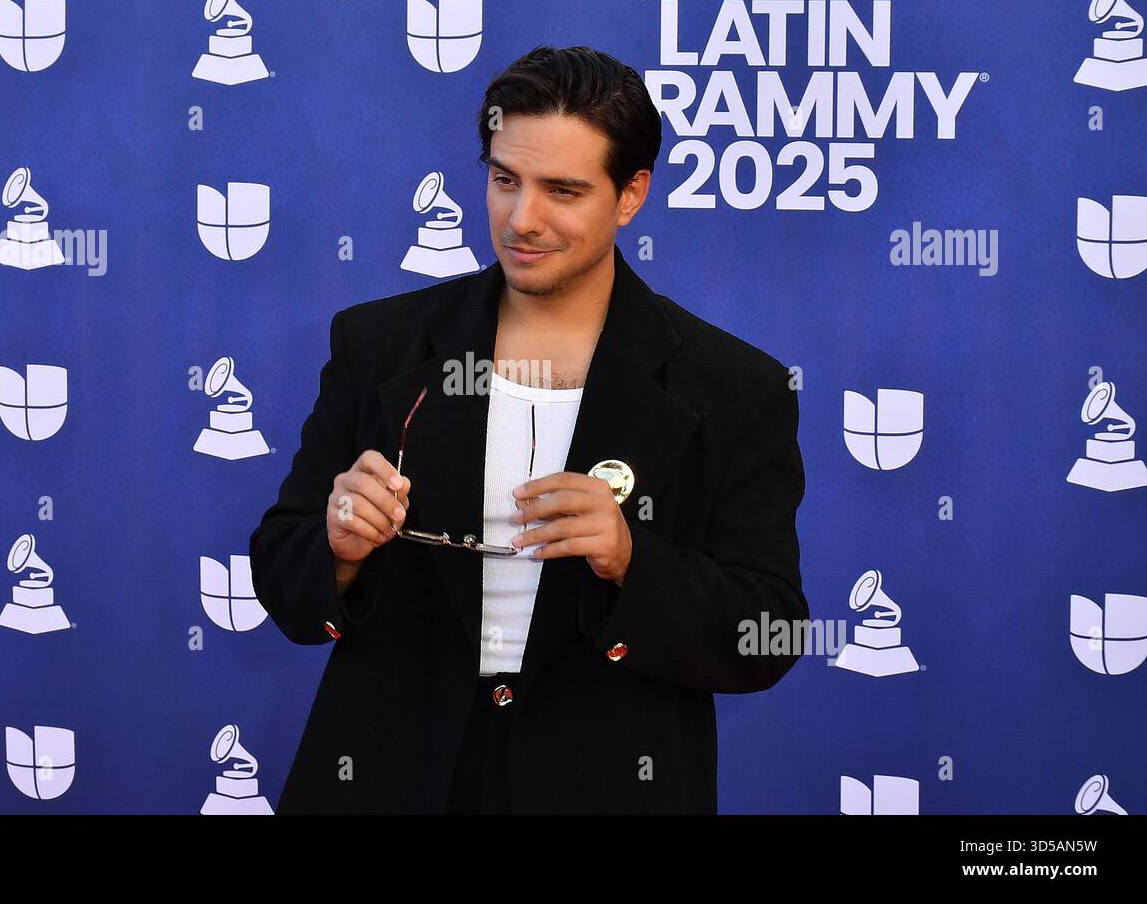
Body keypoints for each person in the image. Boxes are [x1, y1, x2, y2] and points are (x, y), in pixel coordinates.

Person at [249, 45, 808, 814]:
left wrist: (629, 560)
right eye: (505, 179)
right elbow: (283, 575)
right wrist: (338, 551)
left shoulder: (733, 387)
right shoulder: (379, 345)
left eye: (563, 191)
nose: (522, 219)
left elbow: (765, 634)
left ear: (631, 195)